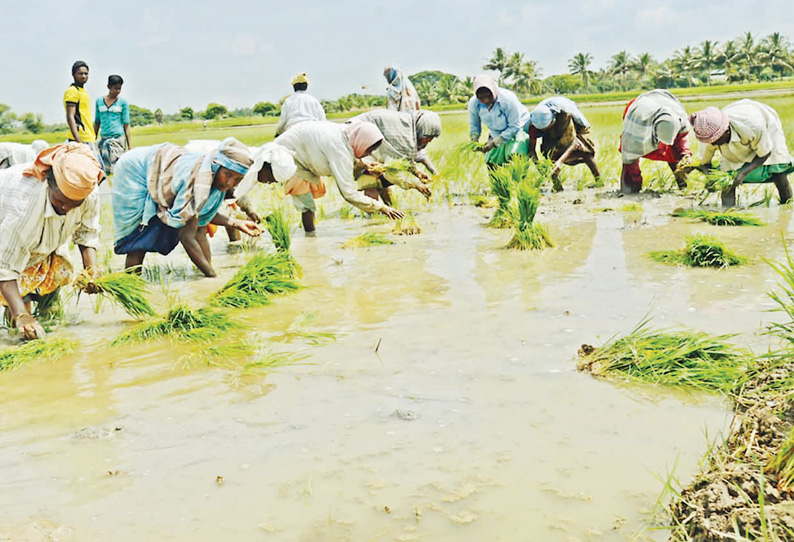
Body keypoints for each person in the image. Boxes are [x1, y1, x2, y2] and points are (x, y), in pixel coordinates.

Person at [112, 137, 261, 277]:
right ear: (218, 167)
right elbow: (187, 237)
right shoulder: (198, 182)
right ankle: (132, 281)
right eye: (227, 174)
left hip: (162, 164)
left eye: (237, 179)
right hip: (136, 169)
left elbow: (200, 214)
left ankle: (205, 269)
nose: (229, 182)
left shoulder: (217, 183)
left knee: (198, 228)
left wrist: (238, 223)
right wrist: (212, 276)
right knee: (140, 235)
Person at [0, 144, 103, 341]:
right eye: (60, 201)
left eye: (75, 205)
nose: (66, 208)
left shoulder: (88, 191)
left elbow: (87, 232)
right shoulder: (24, 207)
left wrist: (92, 269)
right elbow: (4, 267)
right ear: (49, 185)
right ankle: (16, 338)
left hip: (45, 242)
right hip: (6, 240)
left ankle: (51, 331)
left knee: (52, 300)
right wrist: (22, 316)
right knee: (21, 308)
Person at [274, 121, 404, 233]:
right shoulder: (339, 149)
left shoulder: (347, 133)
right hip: (286, 157)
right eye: (368, 150)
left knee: (308, 205)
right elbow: (348, 194)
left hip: (301, 153)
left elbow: (347, 153)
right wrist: (382, 207)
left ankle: (310, 235)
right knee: (306, 204)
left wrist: (362, 163)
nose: (369, 154)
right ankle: (310, 237)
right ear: (361, 142)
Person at [690, 100, 794, 207]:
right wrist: (710, 178)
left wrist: (742, 173)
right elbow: (705, 163)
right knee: (727, 180)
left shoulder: (752, 126)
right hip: (738, 120)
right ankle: (728, 211)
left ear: (726, 131)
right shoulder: (708, 135)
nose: (714, 143)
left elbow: (765, 154)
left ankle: (786, 205)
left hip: (764, 121)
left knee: (777, 169)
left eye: (717, 140)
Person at [349, 109, 442, 204]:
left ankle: (389, 209)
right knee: (371, 180)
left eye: (432, 138)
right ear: (420, 130)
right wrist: (417, 185)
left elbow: (402, 161)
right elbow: (393, 173)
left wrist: (417, 173)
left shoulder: (408, 127)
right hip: (357, 139)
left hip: (367, 140)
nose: (430, 141)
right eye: (428, 137)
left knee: (381, 177)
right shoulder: (404, 136)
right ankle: (373, 214)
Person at [620, 89, 692, 194]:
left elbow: (681, 143)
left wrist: (685, 156)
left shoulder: (681, 120)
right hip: (639, 111)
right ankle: (628, 190)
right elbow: (629, 158)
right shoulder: (636, 130)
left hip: (664, 102)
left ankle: (684, 188)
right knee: (630, 165)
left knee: (677, 158)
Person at [528, 96, 600, 191]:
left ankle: (599, 181)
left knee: (584, 149)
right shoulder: (534, 125)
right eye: (541, 129)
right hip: (551, 133)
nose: (543, 130)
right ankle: (557, 186)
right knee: (549, 153)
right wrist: (540, 167)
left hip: (575, 126)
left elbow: (574, 142)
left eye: (546, 127)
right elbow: (531, 150)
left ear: (552, 120)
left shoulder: (564, 115)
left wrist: (560, 162)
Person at [468, 74, 530, 168]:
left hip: (517, 129)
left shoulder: (508, 99)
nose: (485, 100)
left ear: (493, 91)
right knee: (491, 162)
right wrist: (474, 140)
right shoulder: (474, 103)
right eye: (481, 98)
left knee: (516, 158)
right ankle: (497, 182)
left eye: (488, 96)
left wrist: (494, 142)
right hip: (496, 132)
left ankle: (517, 182)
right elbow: (474, 124)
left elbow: (515, 125)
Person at [64, 60, 102, 167]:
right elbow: (70, 116)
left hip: (89, 137)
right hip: (81, 138)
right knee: (94, 170)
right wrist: (79, 142)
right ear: (73, 74)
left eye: (86, 73)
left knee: (97, 170)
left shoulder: (82, 91)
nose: (84, 76)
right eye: (80, 74)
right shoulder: (72, 91)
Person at [94, 74, 131, 175]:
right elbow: (97, 122)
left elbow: (126, 125)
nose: (118, 91)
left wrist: (130, 147)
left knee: (118, 169)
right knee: (104, 170)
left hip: (118, 140)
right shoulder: (99, 102)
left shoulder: (123, 103)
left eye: (120, 89)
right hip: (104, 139)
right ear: (109, 87)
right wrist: (93, 140)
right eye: (115, 88)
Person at [275, 73, 326, 137]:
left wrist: (278, 132)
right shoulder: (313, 100)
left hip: (293, 131)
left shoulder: (288, 101)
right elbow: (323, 120)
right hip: (312, 130)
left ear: (294, 86)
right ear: (306, 86)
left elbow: (283, 121)